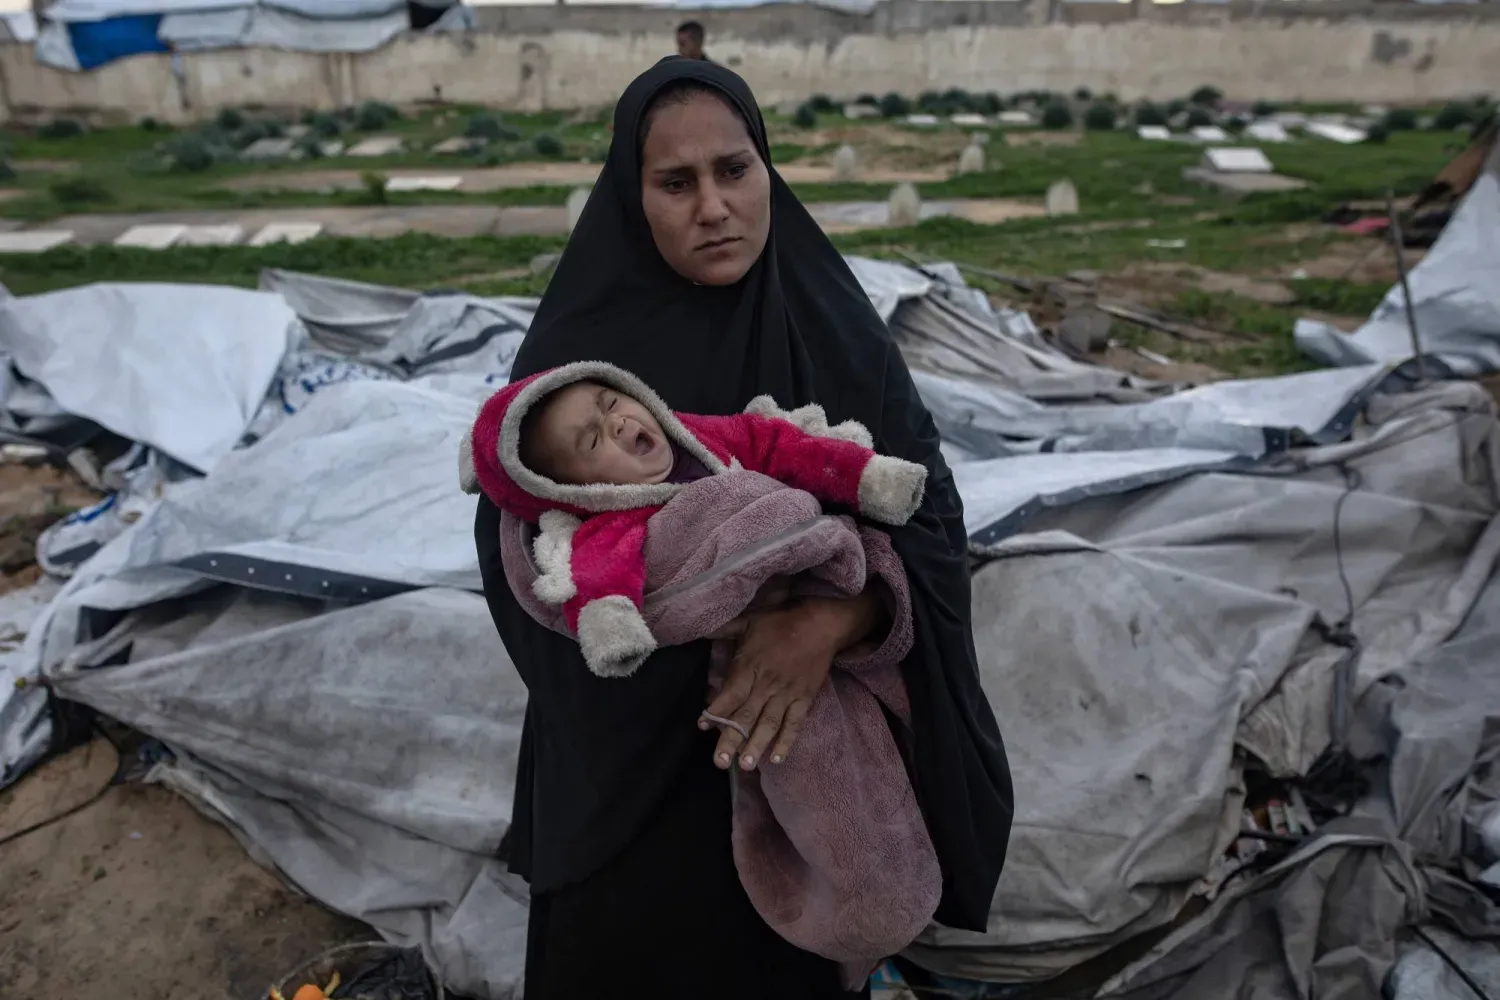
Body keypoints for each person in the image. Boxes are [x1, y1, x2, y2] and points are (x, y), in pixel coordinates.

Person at [473, 56, 1014, 999]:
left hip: (804, 783)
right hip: (637, 794)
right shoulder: (576, 362)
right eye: (675, 183)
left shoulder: (832, 331)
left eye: (735, 171)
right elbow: (517, 553)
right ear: (631, 197)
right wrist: (685, 623)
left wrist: (827, 623)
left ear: (769, 170)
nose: (714, 207)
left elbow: (929, 516)